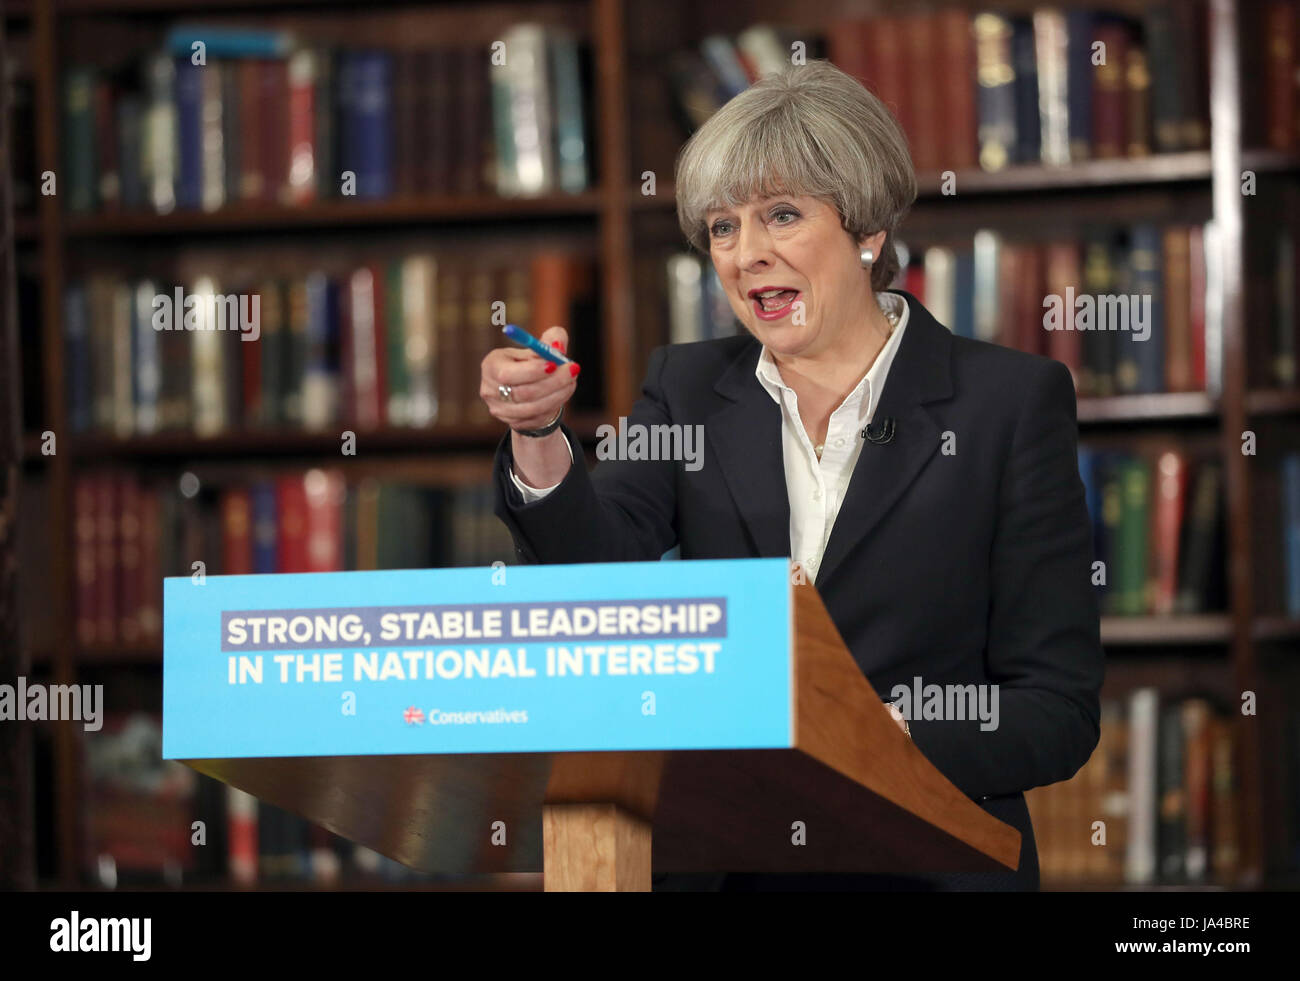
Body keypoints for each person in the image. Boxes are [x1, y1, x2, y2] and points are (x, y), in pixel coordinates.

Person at [480, 60, 1103, 890]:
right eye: (723, 227)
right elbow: (596, 577)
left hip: (932, 861)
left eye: (781, 215)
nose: (747, 254)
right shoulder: (687, 387)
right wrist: (538, 434)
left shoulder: (1008, 403)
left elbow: (1056, 710)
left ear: (868, 229)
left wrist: (883, 736)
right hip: (729, 861)